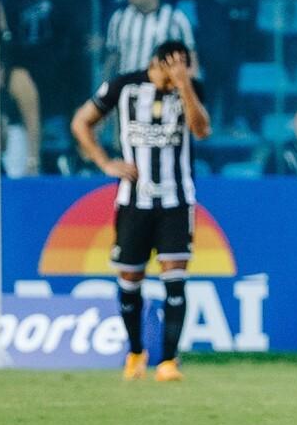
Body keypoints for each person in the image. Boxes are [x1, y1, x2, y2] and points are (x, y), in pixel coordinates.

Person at [70, 39, 212, 383]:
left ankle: (168, 362)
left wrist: (184, 87)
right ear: (157, 63)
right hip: (134, 202)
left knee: (174, 278)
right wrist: (104, 162)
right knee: (130, 279)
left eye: (185, 68)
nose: (178, 75)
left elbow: (202, 130)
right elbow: (81, 122)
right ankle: (135, 352)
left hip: (176, 201)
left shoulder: (189, 90)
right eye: (173, 69)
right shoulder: (124, 86)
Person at [105, 0, 196, 75]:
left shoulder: (176, 18)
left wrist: (190, 84)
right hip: (127, 84)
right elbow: (112, 56)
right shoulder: (119, 18)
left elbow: (190, 54)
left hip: (163, 86)